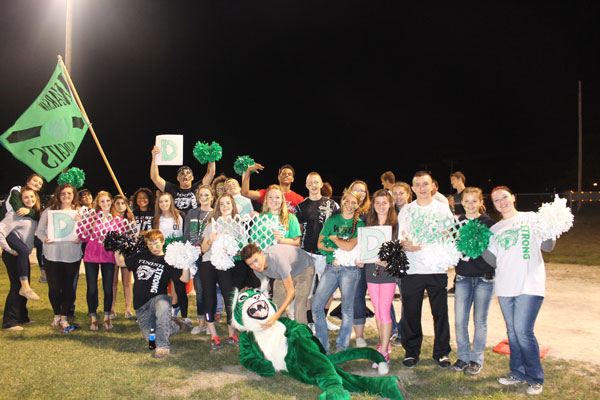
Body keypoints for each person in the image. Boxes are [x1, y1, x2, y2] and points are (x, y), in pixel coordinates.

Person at [483, 186, 556, 396]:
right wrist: (477, 248)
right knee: (513, 333)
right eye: (497, 200)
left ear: (513, 197)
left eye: (504, 197)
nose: (502, 202)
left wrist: (552, 227)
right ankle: (517, 372)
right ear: (494, 205)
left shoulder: (531, 218)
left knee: (523, 331)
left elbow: (549, 246)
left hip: (529, 283)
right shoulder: (495, 230)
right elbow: (494, 261)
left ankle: (535, 378)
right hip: (505, 285)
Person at [397, 171, 453, 369]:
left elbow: (449, 237)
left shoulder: (442, 209)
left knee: (440, 313)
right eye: (418, 185)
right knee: (411, 313)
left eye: (425, 184)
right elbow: (400, 238)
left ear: (432, 187)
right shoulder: (407, 210)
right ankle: (411, 352)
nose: (422, 188)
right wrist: (405, 244)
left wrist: (424, 243)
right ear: (412, 188)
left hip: (436, 268)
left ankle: (442, 352)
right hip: (412, 269)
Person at [311, 189, 364, 354]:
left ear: (358, 204)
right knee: (316, 306)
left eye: (353, 202)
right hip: (331, 267)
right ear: (342, 202)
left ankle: (342, 346)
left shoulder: (360, 224)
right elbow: (320, 244)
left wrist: (333, 238)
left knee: (347, 309)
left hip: (350, 270)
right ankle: (323, 345)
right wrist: (337, 246)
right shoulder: (333, 220)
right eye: (346, 201)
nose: (349, 205)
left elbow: (350, 246)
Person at [125, 229, 192, 358]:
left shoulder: (168, 260)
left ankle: (163, 346)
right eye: (150, 244)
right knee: (150, 340)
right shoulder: (141, 256)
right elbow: (121, 262)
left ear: (162, 242)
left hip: (158, 299)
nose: (153, 247)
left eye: (156, 243)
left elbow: (185, 279)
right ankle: (174, 325)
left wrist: (186, 263)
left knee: (163, 306)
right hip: (140, 306)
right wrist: (118, 247)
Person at [451, 187, 495, 375]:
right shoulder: (457, 222)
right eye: (466, 201)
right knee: (460, 320)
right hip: (462, 278)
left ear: (480, 202)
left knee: (480, 321)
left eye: (473, 201)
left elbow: (491, 251)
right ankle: (462, 357)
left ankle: (476, 359)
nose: (470, 205)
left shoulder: (487, 223)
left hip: (484, 278)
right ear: (461, 202)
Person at [294, 172, 340, 331]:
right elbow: (298, 231)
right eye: (310, 183)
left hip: (327, 254)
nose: (314, 185)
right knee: (309, 290)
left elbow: (339, 227)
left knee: (329, 288)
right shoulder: (301, 207)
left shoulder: (333, 205)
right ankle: (311, 322)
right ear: (306, 185)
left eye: (316, 182)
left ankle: (323, 319)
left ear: (321, 184)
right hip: (308, 253)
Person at [35, 183, 82, 332]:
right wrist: (45, 239)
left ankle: (64, 317)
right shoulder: (49, 212)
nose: (66, 196)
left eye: (69, 193)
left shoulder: (79, 212)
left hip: (72, 254)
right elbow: (39, 231)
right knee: (54, 288)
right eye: (63, 193)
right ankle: (56, 313)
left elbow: (85, 233)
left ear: (74, 195)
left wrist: (80, 237)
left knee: (68, 288)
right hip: (52, 254)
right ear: (58, 195)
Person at [199, 193, 244, 350]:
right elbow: (203, 249)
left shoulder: (238, 225)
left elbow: (241, 250)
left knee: (229, 297)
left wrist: (232, 250)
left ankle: (232, 333)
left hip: (225, 265)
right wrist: (211, 240)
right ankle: (214, 335)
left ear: (233, 206)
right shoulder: (212, 224)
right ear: (218, 207)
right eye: (222, 204)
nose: (225, 207)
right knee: (210, 298)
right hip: (209, 263)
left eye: (228, 204)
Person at [360, 189, 398, 365]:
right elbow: (364, 247)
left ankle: (384, 351)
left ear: (390, 204)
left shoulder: (396, 225)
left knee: (384, 309)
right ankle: (384, 344)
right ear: (373, 205)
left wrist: (389, 262)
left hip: (388, 273)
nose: (381, 206)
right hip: (371, 271)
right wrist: (360, 258)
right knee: (377, 310)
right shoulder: (368, 224)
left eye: (384, 203)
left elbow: (400, 251)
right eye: (377, 203)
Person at [241, 243, 315, 325]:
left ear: (262, 254)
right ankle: (285, 328)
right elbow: (266, 289)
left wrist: (277, 315)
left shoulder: (277, 260)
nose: (255, 265)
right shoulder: (257, 270)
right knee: (277, 304)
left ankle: (301, 333)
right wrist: (250, 292)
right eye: (250, 264)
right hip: (285, 272)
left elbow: (291, 292)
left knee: (299, 304)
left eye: (256, 260)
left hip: (304, 267)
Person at [1, 188, 40, 331]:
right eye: (26, 197)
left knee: (25, 287)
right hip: (13, 255)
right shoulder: (14, 214)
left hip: (23, 256)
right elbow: (1, 230)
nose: (29, 200)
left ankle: (22, 318)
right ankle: (9, 322)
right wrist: (9, 249)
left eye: (32, 197)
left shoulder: (32, 215)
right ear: (21, 200)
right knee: (17, 287)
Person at [79, 191, 119, 332]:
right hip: (91, 257)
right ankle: (93, 317)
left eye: (108, 201)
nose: (105, 204)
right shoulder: (92, 217)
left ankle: (107, 317)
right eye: (102, 201)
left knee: (108, 288)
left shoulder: (116, 219)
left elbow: (121, 238)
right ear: (97, 202)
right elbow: (82, 237)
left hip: (108, 258)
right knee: (92, 288)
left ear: (111, 201)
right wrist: (81, 223)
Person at [0, 174, 46, 283]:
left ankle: (43, 271)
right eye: (35, 181)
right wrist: (31, 212)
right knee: (24, 251)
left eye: (40, 184)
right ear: (28, 181)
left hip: (17, 230)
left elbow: (36, 215)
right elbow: (18, 210)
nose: (37, 184)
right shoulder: (16, 190)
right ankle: (25, 284)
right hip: (8, 228)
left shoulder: (33, 198)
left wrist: (31, 212)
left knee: (40, 243)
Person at [183, 184, 214, 334]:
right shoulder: (191, 213)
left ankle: (210, 322)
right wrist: (186, 254)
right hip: (195, 257)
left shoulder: (216, 213)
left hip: (210, 257)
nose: (204, 198)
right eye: (201, 195)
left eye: (207, 195)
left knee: (211, 291)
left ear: (212, 197)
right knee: (200, 290)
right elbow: (186, 235)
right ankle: (201, 322)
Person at [150, 145, 216, 214]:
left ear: (192, 177)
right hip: (177, 222)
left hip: (194, 222)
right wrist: (154, 157)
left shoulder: (198, 188)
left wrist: (211, 156)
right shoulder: (171, 189)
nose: (185, 175)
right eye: (182, 173)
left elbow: (211, 173)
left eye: (188, 173)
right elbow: (155, 177)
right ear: (177, 178)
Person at [152, 192, 187, 320]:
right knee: (160, 284)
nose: (164, 204)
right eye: (161, 202)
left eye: (166, 201)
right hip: (161, 256)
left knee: (178, 284)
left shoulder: (180, 215)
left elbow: (184, 234)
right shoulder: (156, 219)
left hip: (177, 255)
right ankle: (161, 311)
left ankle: (181, 312)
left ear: (171, 201)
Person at [389, 181, 412, 346]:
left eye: (400, 193)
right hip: (389, 261)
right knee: (386, 298)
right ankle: (392, 329)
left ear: (408, 194)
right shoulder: (388, 212)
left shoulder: (414, 212)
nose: (397, 196)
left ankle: (403, 332)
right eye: (394, 193)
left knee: (406, 299)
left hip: (407, 262)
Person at [109, 195, 135, 320]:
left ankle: (128, 308)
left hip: (126, 251)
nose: (120, 206)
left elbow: (134, 234)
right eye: (117, 203)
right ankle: (111, 308)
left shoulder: (130, 219)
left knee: (127, 282)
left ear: (127, 205)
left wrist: (132, 220)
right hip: (113, 252)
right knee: (113, 282)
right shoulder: (110, 219)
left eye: (123, 203)